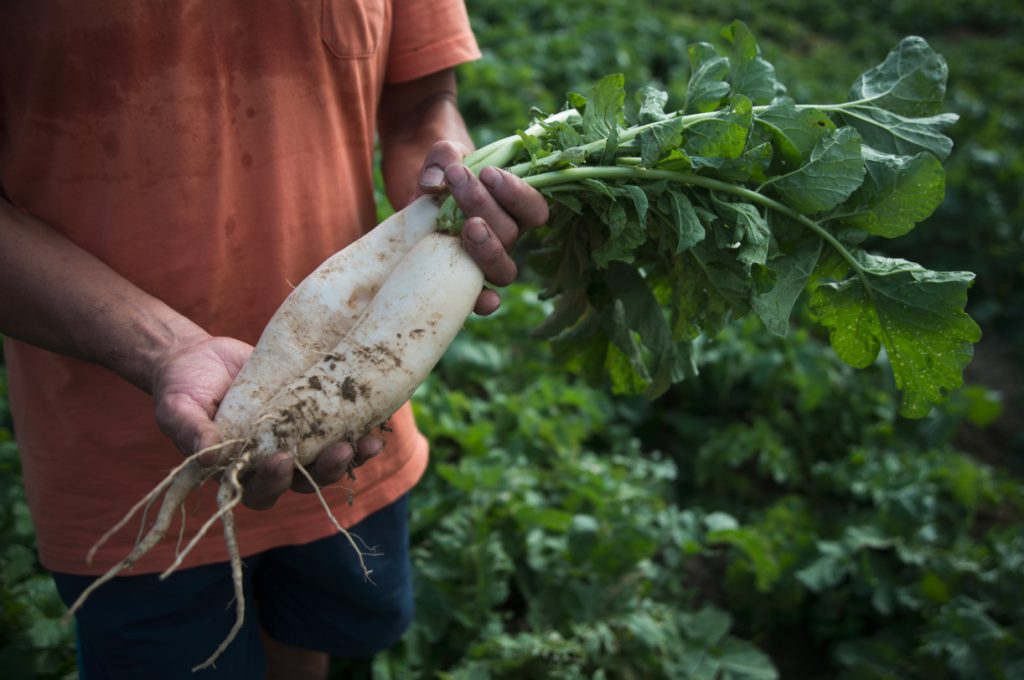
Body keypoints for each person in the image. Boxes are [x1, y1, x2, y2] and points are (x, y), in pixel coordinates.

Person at [0, 3, 548, 678]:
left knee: (306, 647)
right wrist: (163, 349)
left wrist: (451, 184)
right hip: (110, 465)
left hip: (347, 451)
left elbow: (422, 99)